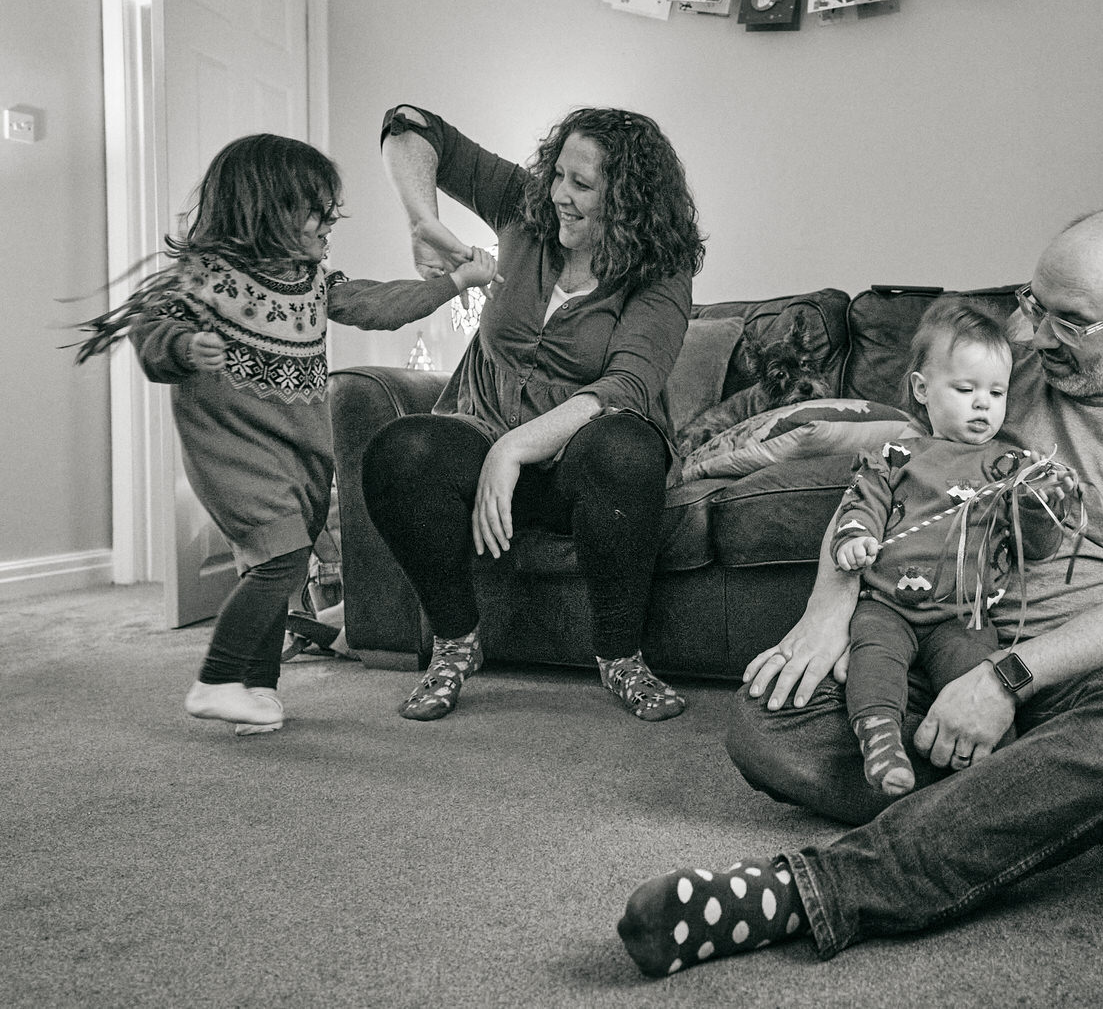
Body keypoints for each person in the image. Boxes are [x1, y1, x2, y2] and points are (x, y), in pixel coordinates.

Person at [616, 209, 1103, 976]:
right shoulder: (997, 373)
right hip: (936, 648)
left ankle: (801, 892)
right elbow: (885, 475)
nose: (1037, 334)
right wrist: (830, 606)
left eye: (1068, 320)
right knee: (764, 719)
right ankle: (1077, 806)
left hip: (1080, 683)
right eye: (1033, 305)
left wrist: (1005, 679)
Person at [72, 133, 497, 734]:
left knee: (276, 567)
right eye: (315, 211)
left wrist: (452, 285)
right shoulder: (204, 281)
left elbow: (378, 303)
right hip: (234, 453)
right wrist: (184, 346)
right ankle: (217, 680)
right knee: (281, 561)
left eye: (331, 210)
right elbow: (149, 337)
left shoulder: (312, 280)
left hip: (298, 455)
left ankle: (256, 691)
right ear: (264, 210)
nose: (329, 223)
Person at [363, 104, 706, 723]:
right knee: (399, 451)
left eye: (583, 186)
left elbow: (625, 385)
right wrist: (421, 220)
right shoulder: (527, 208)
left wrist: (512, 448)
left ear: (627, 199)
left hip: (585, 477)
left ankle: (620, 657)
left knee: (625, 446)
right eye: (558, 177)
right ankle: (456, 642)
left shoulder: (661, 272)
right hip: (483, 450)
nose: (560, 197)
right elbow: (412, 126)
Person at [830, 295, 1070, 796]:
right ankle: (879, 738)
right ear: (923, 389)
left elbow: (1040, 547)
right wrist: (855, 536)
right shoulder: (896, 455)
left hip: (964, 614)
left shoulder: (1011, 465)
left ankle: (1010, 775)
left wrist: (1037, 506)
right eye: (965, 388)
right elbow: (863, 501)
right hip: (886, 604)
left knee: (977, 677)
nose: (984, 403)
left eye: (996, 392)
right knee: (873, 659)